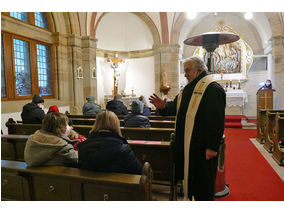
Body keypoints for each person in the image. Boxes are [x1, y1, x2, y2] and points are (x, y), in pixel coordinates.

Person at [149, 56, 226, 201]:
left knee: (203, 186)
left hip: (203, 149)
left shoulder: (212, 88)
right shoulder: (188, 89)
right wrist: (164, 107)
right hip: (188, 147)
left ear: (199, 69)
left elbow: (216, 121)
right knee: (191, 183)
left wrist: (212, 147)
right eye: (184, 71)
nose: (185, 74)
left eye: (187, 71)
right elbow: (177, 107)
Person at [77, 110, 142, 175]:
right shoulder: (123, 149)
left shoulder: (83, 146)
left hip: (90, 184)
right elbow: (137, 171)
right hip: (118, 184)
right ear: (116, 125)